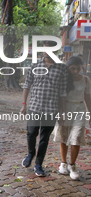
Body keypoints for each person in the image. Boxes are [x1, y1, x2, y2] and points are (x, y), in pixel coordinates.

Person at [20, 40, 67, 176]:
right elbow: (27, 85)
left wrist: (62, 112)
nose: (48, 52)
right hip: (35, 106)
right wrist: (24, 104)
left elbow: (63, 92)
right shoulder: (35, 65)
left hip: (51, 109)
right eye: (46, 49)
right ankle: (30, 154)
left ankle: (38, 164)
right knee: (31, 132)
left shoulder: (61, 68)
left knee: (44, 138)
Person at [53, 55, 91, 180]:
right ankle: (63, 163)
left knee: (76, 137)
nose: (75, 71)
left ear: (82, 68)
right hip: (65, 109)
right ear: (68, 68)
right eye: (72, 68)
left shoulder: (85, 80)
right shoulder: (63, 79)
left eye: (78, 68)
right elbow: (58, 97)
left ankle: (72, 165)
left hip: (79, 110)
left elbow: (87, 97)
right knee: (64, 136)